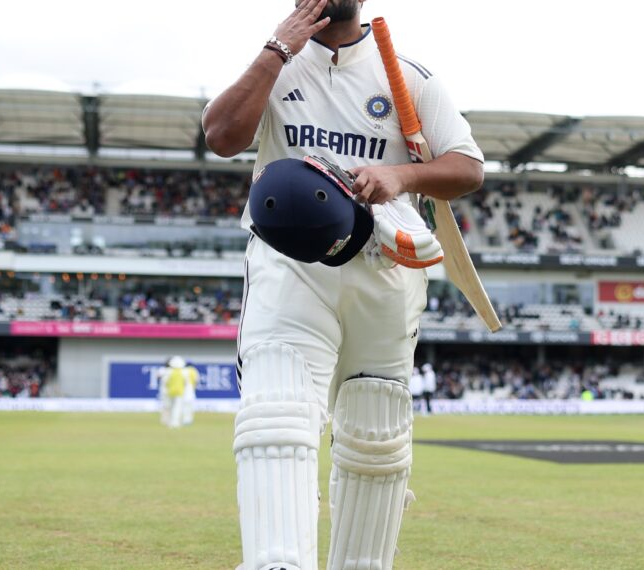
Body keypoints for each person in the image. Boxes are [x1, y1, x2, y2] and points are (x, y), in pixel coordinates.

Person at [201, 0, 483, 567]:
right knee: (277, 410)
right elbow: (222, 136)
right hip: (291, 264)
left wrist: (400, 174)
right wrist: (277, 48)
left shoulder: (411, 77)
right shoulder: (276, 65)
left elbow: (468, 168)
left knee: (375, 430)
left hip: (385, 266)